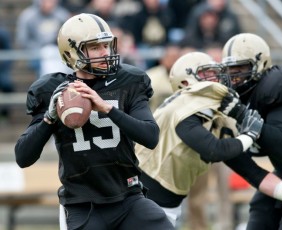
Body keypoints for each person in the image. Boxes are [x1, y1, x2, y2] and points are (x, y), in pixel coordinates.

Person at [14, 13, 174, 230]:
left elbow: (151, 137)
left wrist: (107, 108)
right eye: (96, 47)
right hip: (83, 206)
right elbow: (23, 157)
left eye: (107, 45)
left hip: (129, 199)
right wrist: (49, 119)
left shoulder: (128, 82)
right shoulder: (52, 90)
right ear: (72, 52)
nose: (105, 52)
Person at [135, 51, 282, 229]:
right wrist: (249, 135)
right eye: (207, 73)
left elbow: (253, 173)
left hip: (166, 204)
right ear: (185, 82)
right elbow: (214, 150)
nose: (217, 78)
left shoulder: (215, 118)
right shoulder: (181, 108)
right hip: (141, 199)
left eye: (216, 72)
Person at [219, 33, 282, 229]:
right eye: (229, 69)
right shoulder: (248, 95)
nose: (233, 75)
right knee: (260, 212)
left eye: (240, 67)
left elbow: (280, 144)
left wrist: (241, 115)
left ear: (259, 64)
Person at [15, 0, 71, 78]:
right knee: (48, 53)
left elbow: (69, 36)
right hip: (36, 52)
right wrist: (41, 49)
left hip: (58, 51)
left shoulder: (62, 15)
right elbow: (22, 39)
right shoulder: (27, 16)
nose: (49, 3)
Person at [0, 26, 14, 119]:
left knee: (7, 84)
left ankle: (5, 114)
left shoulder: (2, 33)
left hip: (1, 67)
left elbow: (8, 52)